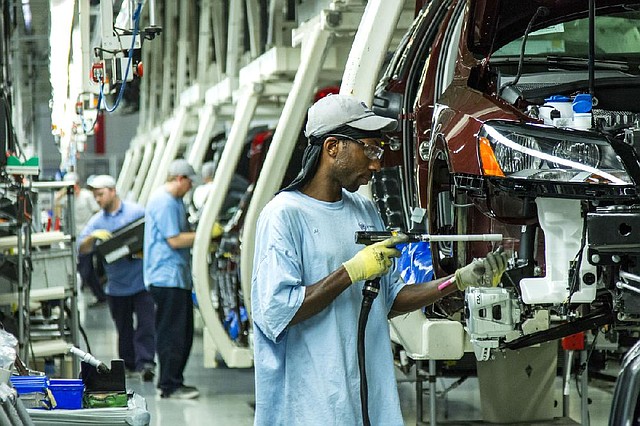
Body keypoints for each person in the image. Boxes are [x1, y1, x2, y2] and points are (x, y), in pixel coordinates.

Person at [250, 94, 508, 425]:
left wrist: (457, 280)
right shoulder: (284, 215)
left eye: (379, 152)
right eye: (370, 150)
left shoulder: (364, 211)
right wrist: (351, 271)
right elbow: (277, 311)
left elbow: (390, 299)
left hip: (365, 399)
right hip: (309, 404)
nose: (376, 163)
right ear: (332, 148)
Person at [78, 175, 156, 381]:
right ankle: (129, 365)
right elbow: (82, 248)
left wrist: (142, 251)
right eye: (95, 196)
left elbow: (153, 236)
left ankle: (146, 363)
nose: (98, 200)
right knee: (124, 329)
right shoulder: (97, 221)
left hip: (141, 282)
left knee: (146, 325)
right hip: (117, 286)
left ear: (113, 191)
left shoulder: (136, 212)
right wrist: (93, 237)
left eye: (101, 194)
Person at [143, 159, 200, 399]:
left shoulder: (175, 201)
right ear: (179, 178)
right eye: (189, 182)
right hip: (167, 277)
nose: (191, 188)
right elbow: (175, 240)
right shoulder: (165, 202)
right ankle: (169, 385)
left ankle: (174, 380)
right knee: (173, 333)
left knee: (182, 332)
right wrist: (205, 235)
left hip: (176, 276)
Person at [55, 172, 106, 306]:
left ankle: (78, 296)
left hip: (88, 237)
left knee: (85, 268)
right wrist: (60, 194)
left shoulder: (87, 196)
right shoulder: (67, 198)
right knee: (87, 270)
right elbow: (57, 207)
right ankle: (101, 296)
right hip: (74, 238)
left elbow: (97, 212)